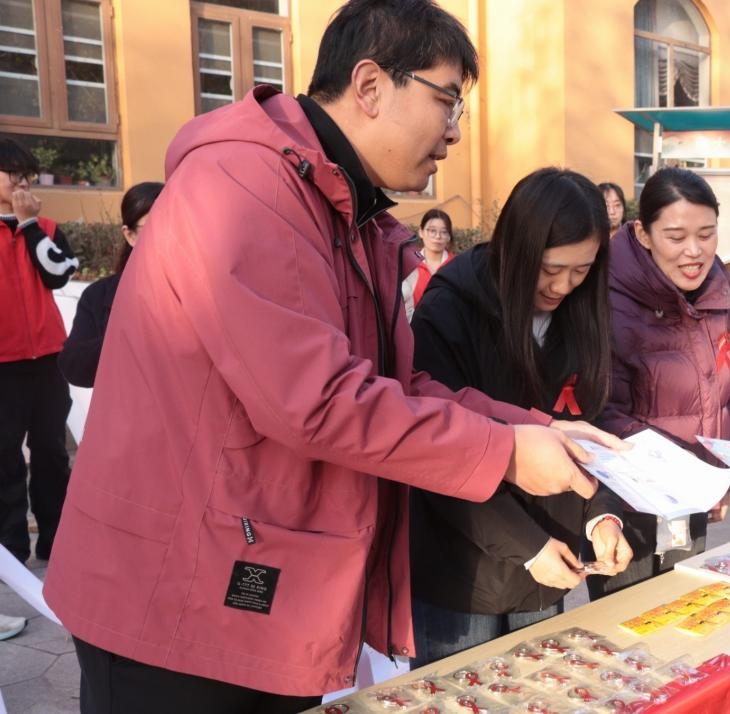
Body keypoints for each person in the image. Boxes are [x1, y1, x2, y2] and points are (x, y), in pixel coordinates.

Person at [42, 2, 619, 711]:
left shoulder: (345, 212)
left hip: (252, 579)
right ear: (370, 86)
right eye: (446, 101)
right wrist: (503, 452)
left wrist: (532, 427)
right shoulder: (243, 186)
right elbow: (316, 399)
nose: (453, 131)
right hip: (173, 598)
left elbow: (396, 385)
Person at [409, 167, 633, 665]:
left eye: (581, 271)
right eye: (550, 268)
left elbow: (589, 428)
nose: (563, 286)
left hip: (550, 562)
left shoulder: (582, 313)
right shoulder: (450, 308)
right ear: (516, 247)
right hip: (462, 571)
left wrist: (601, 517)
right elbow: (435, 449)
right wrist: (529, 546)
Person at [593, 167, 730, 598]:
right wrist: (670, 471)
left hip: (691, 494)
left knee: (683, 611)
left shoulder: (718, 289)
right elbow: (597, 409)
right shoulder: (605, 297)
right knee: (622, 622)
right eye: (676, 237)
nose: (694, 251)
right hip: (625, 502)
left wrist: (716, 474)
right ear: (643, 233)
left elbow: (721, 393)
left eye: (706, 234)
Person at [0, 139, 79, 567]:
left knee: (51, 453)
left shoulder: (45, 227)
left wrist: (29, 225)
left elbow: (57, 276)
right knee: (4, 459)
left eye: (27, 174)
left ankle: (56, 541)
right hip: (3, 367)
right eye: (13, 173)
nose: (23, 182)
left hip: (49, 361)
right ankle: (11, 551)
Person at [59, 182, 164, 388]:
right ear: (130, 235)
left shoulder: (204, 290)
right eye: (153, 226)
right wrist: (126, 336)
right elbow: (74, 366)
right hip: (126, 405)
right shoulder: (99, 295)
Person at [403, 207, 454, 321]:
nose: (438, 236)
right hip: (415, 327)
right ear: (421, 232)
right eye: (432, 230)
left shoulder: (456, 266)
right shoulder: (409, 265)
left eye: (444, 232)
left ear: (449, 236)